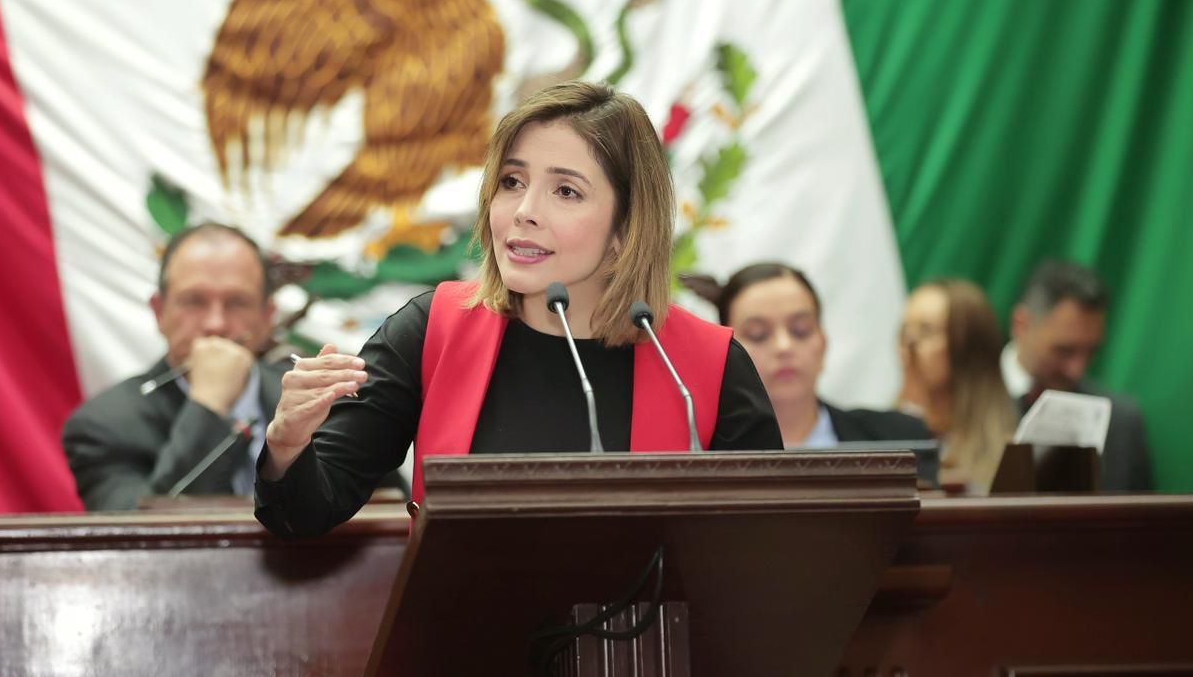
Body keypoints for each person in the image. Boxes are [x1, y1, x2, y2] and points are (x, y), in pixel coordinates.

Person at [254, 82, 784, 538]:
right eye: (512, 182)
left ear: (625, 227)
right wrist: (287, 443)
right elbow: (305, 513)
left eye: (566, 191)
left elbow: (772, 555)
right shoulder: (431, 332)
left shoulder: (705, 368)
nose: (525, 212)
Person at [701, 262, 931, 448]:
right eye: (758, 334)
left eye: (800, 330)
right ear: (726, 352)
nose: (784, 346)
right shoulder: (698, 452)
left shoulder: (902, 439)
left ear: (823, 341)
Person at [1002, 260, 1153, 491]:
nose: (1077, 369)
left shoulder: (1121, 422)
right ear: (1021, 325)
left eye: (1090, 352)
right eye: (1064, 350)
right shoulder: (957, 405)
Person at [898, 279, 1017, 492]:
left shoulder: (1013, 448)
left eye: (926, 330)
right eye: (905, 329)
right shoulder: (880, 436)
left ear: (967, 348)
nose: (909, 342)